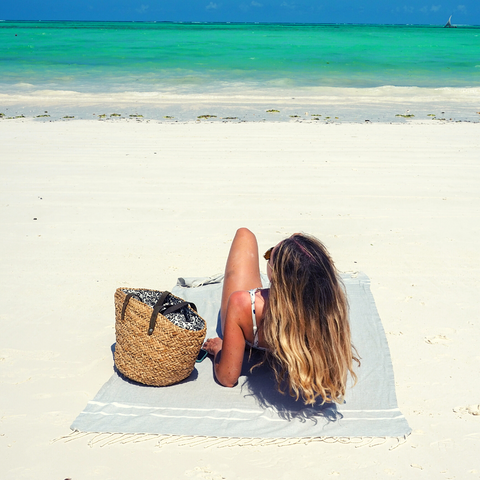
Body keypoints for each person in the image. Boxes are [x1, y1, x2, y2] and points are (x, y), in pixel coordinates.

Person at [203, 228, 360, 406]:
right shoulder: (330, 307)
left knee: (244, 235)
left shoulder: (244, 304)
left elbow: (227, 378)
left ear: (275, 274)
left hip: (254, 325)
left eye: (269, 255)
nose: (268, 258)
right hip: (280, 327)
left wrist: (219, 349)